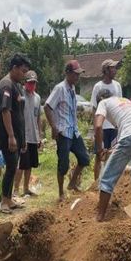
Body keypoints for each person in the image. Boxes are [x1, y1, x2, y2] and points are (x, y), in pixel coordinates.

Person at [94, 90, 131, 221]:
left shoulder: (103, 102)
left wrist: (100, 149)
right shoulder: (125, 101)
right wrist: (111, 150)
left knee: (107, 178)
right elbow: (125, 137)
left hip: (130, 136)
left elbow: (97, 127)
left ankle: (99, 217)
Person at [44, 60, 91, 201]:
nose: (77, 77)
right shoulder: (60, 89)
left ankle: (72, 183)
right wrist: (54, 127)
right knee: (63, 164)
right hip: (63, 132)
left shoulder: (72, 89)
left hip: (74, 131)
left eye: (79, 74)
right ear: (68, 73)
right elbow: (47, 107)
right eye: (75, 74)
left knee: (84, 158)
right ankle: (60, 193)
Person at [0, 53, 31, 213]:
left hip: (16, 135)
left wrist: (21, 138)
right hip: (8, 136)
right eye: (23, 71)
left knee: (13, 166)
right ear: (14, 68)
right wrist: (10, 136)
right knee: (10, 167)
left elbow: (19, 113)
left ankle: (9, 199)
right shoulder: (6, 85)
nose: (24, 75)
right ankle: (4, 202)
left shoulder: (16, 85)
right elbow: (5, 111)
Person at [90, 59, 122, 180]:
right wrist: (95, 129)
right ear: (106, 70)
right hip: (102, 127)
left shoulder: (117, 86)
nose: (115, 70)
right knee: (99, 156)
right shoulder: (98, 86)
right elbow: (94, 108)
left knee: (112, 155)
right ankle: (96, 183)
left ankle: (108, 181)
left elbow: (120, 105)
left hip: (114, 127)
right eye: (112, 68)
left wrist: (119, 126)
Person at [14, 70, 43, 196]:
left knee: (30, 164)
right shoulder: (21, 97)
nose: (32, 85)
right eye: (30, 83)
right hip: (23, 136)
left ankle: (26, 188)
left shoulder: (37, 98)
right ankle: (15, 190)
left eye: (34, 83)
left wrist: (39, 136)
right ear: (25, 83)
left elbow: (38, 118)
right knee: (21, 165)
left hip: (33, 136)